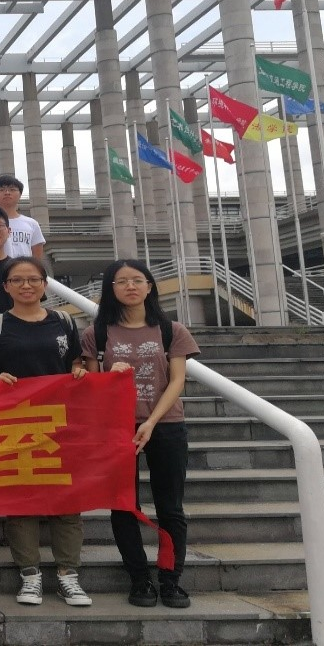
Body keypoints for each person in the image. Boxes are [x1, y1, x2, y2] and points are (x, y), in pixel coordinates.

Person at [82, 259, 200, 610]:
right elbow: (91, 384)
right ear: (111, 289)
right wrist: (108, 376)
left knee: (170, 507)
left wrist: (150, 422)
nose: (130, 286)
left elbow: (177, 381)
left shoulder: (171, 330)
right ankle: (139, 579)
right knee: (124, 506)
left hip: (166, 425)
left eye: (137, 280)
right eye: (121, 281)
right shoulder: (96, 333)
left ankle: (171, 580)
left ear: (150, 286)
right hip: (116, 428)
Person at [0, 256, 91, 608]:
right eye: (17, 280)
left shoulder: (65, 321)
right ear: (5, 286)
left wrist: (79, 372)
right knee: (21, 502)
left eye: (33, 279)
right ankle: (30, 574)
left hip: (59, 423)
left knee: (68, 502)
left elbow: (75, 362)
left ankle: (68, 575)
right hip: (14, 424)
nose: (26, 286)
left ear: (44, 284)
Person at [0, 175, 46, 259]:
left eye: (12, 189)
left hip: (23, 267)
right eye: (1, 190)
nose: (7, 193)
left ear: (20, 194)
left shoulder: (31, 223)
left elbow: (37, 257)